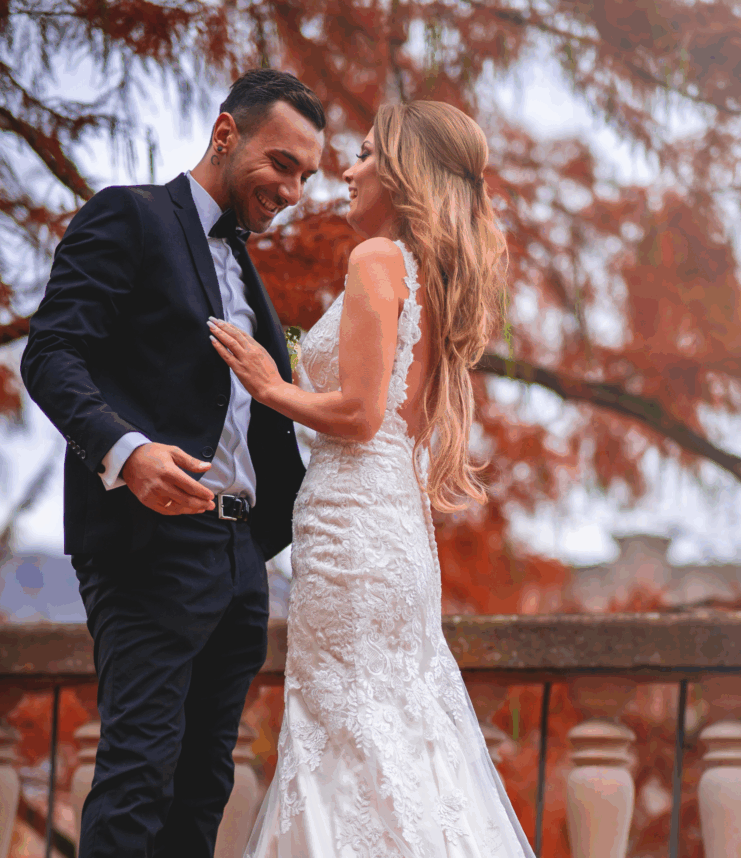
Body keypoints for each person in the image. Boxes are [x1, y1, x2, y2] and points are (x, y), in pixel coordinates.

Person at [208, 100, 535, 857]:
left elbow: (358, 414)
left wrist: (269, 381)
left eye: (362, 156)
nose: (346, 172)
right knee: (396, 733)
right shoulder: (428, 275)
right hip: (393, 532)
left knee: (347, 732)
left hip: (356, 531)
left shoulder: (377, 260)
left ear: (401, 171)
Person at [20, 69, 325, 858]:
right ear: (226, 134)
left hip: (238, 558)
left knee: (203, 789)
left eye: (306, 176)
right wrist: (129, 453)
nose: (292, 191)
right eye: (282, 164)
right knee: (137, 775)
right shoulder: (129, 215)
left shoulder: (246, 266)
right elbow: (52, 354)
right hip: (148, 543)